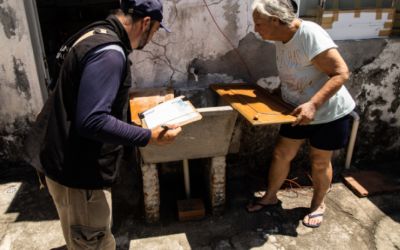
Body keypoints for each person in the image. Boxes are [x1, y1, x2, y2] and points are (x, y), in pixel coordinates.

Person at [27, 0, 181, 249]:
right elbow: (92, 120)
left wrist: (131, 124)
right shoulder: (110, 54)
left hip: (62, 160)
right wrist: (147, 136)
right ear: (145, 23)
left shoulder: (94, 33)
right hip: (77, 175)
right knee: (92, 241)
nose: (153, 37)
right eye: (155, 31)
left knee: (83, 238)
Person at [246, 0, 355, 228]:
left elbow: (341, 72)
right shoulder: (281, 37)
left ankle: (318, 204)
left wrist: (313, 104)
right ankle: (270, 196)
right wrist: (275, 94)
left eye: (258, 23)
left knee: (319, 161)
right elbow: (297, 72)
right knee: (281, 153)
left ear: (275, 21)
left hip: (329, 111)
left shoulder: (309, 34)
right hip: (295, 110)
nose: (255, 29)